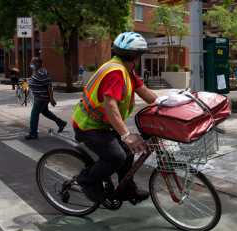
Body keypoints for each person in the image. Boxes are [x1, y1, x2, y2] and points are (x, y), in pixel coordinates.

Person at [72, 32, 158, 204]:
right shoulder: (116, 72)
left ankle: (126, 189)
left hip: (102, 124)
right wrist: (126, 135)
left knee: (128, 152)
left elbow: (147, 95)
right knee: (117, 156)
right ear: (136, 56)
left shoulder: (126, 70)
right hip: (88, 126)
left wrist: (171, 103)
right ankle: (87, 181)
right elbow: (110, 106)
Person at [25, 57, 67, 140]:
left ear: (38, 63)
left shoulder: (42, 72)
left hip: (41, 98)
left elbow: (49, 85)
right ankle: (61, 123)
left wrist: (51, 98)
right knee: (45, 112)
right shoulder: (37, 72)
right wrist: (26, 83)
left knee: (34, 114)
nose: (31, 64)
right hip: (39, 97)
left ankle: (33, 133)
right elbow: (33, 81)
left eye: (33, 62)